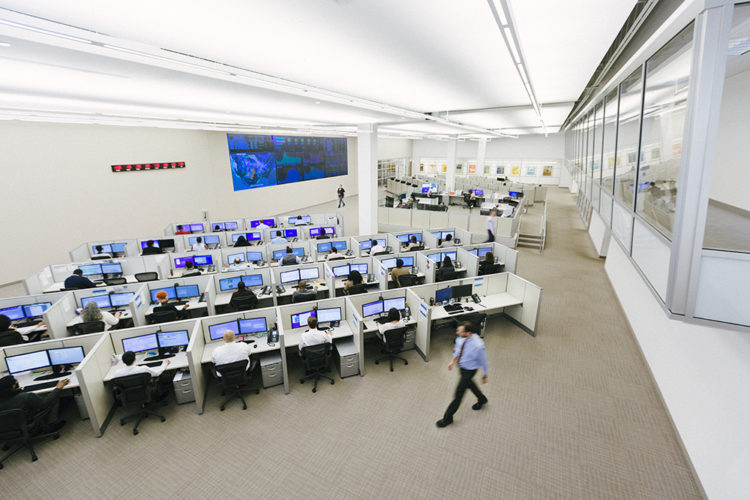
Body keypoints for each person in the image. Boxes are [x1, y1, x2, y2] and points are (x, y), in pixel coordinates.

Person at [436, 321, 488, 428]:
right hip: (462, 367)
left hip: (470, 370)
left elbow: (484, 361)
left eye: (459, 331)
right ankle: (482, 399)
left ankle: (447, 418)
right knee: (470, 384)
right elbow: (458, 351)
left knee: (458, 395)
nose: (457, 332)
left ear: (468, 333)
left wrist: (485, 374)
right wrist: (452, 361)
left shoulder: (478, 345)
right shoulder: (460, 339)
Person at [0, 375, 69, 432]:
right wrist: (58, 388)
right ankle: (51, 425)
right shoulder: (26, 396)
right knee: (53, 397)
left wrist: (16, 391)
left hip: (6, 428)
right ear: (13, 386)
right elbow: (45, 403)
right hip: (26, 423)